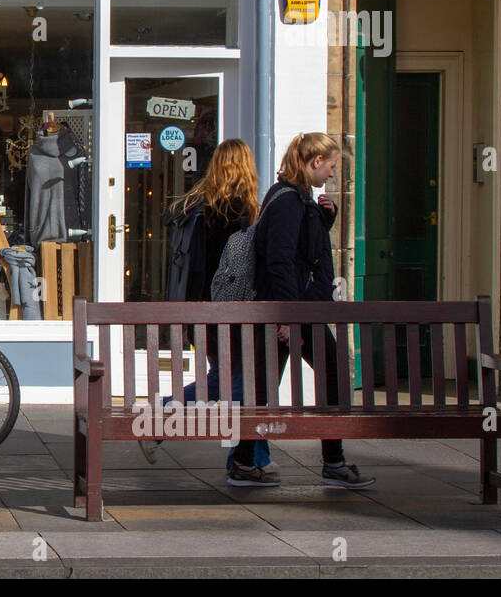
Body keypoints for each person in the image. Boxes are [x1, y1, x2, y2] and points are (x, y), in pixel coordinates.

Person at [227, 132, 375, 488]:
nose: (333, 175)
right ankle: (333, 463)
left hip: (292, 309)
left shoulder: (294, 199)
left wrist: (326, 219)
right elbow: (279, 262)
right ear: (314, 163)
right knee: (334, 375)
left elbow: (299, 253)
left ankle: (246, 464)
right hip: (293, 310)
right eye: (331, 167)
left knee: (264, 386)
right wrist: (288, 317)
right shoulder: (289, 203)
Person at [139, 139, 273, 472]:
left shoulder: (196, 207)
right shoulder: (237, 213)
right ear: (245, 168)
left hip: (200, 313)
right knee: (241, 383)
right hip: (230, 312)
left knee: (234, 380)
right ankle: (246, 459)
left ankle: (257, 457)